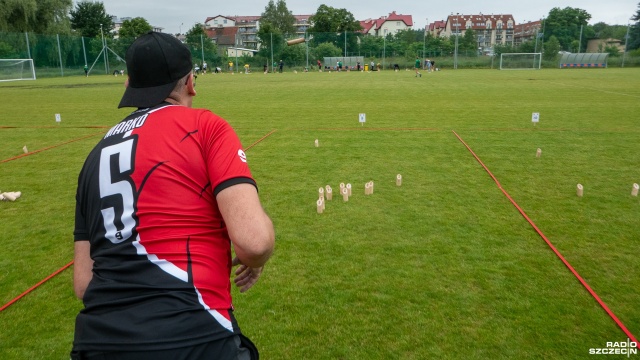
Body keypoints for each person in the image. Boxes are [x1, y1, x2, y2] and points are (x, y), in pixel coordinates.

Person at [71, 31, 275, 360]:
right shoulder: (207, 127)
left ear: (129, 86)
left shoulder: (94, 156)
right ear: (191, 83)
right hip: (194, 335)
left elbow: (84, 284)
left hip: (97, 344)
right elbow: (254, 241)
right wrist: (258, 258)